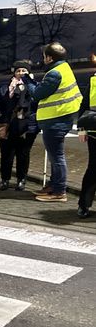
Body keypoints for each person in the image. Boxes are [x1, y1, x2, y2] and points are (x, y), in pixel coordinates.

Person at [22, 42, 83, 202]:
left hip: (56, 120)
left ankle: (59, 191)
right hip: (61, 118)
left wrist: (27, 80)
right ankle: (53, 186)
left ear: (49, 57)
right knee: (55, 156)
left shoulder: (54, 73)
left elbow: (37, 94)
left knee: (57, 157)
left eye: (44, 57)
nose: (43, 59)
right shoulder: (64, 68)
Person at [0, 60, 39, 191]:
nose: (21, 73)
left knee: (23, 155)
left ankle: (21, 180)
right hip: (8, 126)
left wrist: (30, 85)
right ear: (14, 73)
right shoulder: (5, 88)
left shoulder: (35, 88)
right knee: (6, 155)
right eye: (18, 71)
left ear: (29, 73)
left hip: (26, 127)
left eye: (24, 71)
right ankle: (5, 180)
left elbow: (38, 104)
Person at [76, 72, 96, 218]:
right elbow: (84, 105)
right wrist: (81, 129)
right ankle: (83, 204)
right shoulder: (94, 80)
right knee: (93, 169)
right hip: (95, 132)